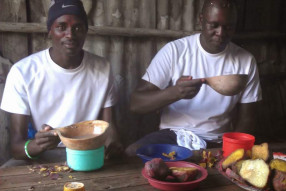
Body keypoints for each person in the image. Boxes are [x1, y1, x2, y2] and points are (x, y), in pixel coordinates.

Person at [125, 0, 262, 156]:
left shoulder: (245, 61)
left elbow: (248, 118)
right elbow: (135, 104)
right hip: (173, 136)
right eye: (214, 25)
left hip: (217, 141)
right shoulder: (175, 51)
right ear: (201, 20)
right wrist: (175, 93)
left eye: (228, 27)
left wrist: (231, 151)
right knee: (131, 154)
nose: (221, 33)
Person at [0, 0, 121, 167]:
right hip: (42, 156)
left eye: (77, 28)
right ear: (50, 31)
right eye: (61, 27)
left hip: (86, 153)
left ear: (86, 32)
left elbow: (109, 129)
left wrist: (113, 144)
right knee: (8, 174)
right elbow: (16, 148)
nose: (70, 34)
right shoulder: (23, 72)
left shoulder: (102, 68)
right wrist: (38, 145)